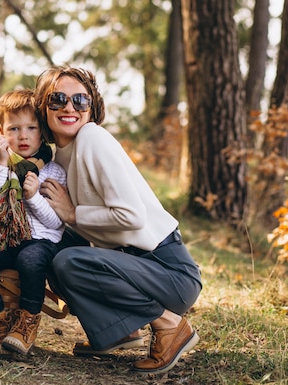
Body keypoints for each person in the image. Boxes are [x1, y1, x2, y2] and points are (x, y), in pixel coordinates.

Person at [34, 66, 203, 374]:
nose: (69, 107)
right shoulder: (59, 157)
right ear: (43, 107)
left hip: (168, 271)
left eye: (80, 101)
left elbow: (131, 217)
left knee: (68, 261)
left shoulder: (92, 138)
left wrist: (72, 213)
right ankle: (122, 330)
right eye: (57, 99)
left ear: (91, 107)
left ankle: (170, 325)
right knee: (51, 250)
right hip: (134, 266)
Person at [0, 89, 67, 356]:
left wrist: (33, 196)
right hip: (4, 237)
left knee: (30, 261)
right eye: (14, 128)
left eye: (31, 127)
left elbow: (56, 223)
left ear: (42, 131)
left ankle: (26, 322)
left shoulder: (53, 172)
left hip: (39, 241)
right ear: (1, 130)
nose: (22, 136)